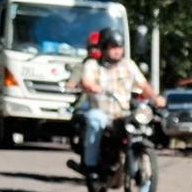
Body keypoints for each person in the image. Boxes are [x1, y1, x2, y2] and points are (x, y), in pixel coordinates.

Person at [68, 29, 161, 174]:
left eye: (119, 47)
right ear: (103, 48)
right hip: (102, 113)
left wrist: (156, 98)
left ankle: (137, 162)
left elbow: (143, 85)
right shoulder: (92, 65)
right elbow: (86, 82)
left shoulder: (128, 65)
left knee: (141, 123)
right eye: (113, 47)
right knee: (94, 120)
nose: (117, 51)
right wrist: (92, 87)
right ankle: (91, 165)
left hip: (123, 113)